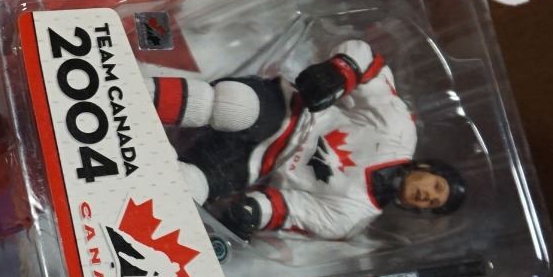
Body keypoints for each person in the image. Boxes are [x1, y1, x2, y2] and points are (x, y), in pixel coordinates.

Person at [146, 39, 465, 242]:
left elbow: (292, 210)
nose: (427, 195)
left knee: (188, 190)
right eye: (436, 187)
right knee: (235, 105)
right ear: (428, 168)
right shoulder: (398, 130)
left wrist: (254, 213)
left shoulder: (352, 217)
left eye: (432, 203)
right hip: (287, 113)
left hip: (253, 165)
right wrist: (341, 71)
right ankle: (133, 96)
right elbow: (369, 62)